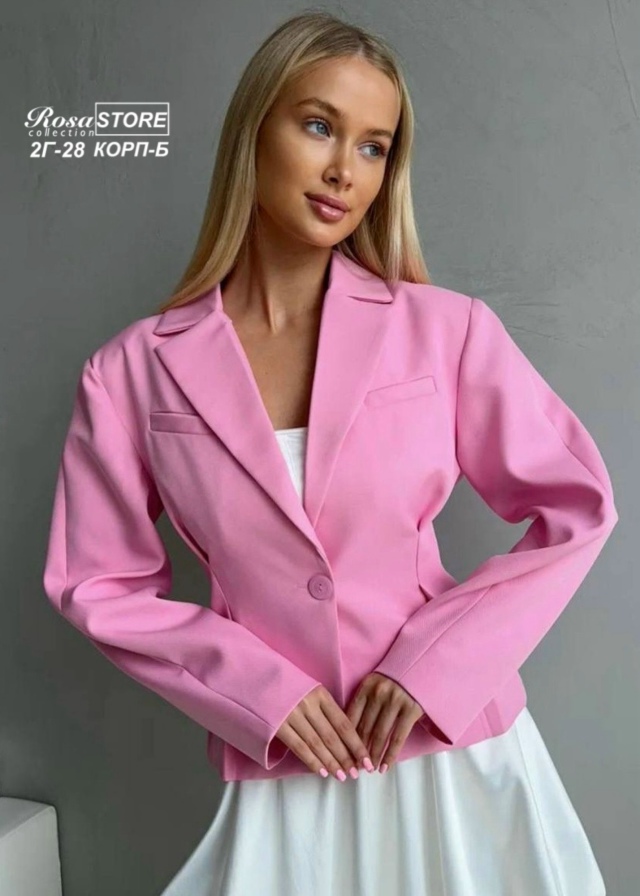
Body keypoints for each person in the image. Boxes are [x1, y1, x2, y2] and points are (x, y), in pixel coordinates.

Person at [42, 11, 618, 895]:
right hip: (284, 766)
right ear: (254, 129)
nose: (346, 169)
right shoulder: (131, 371)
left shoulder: (446, 331)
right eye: (318, 126)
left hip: (455, 755)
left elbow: (579, 508)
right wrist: (257, 690)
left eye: (374, 146)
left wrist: (435, 663)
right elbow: (96, 583)